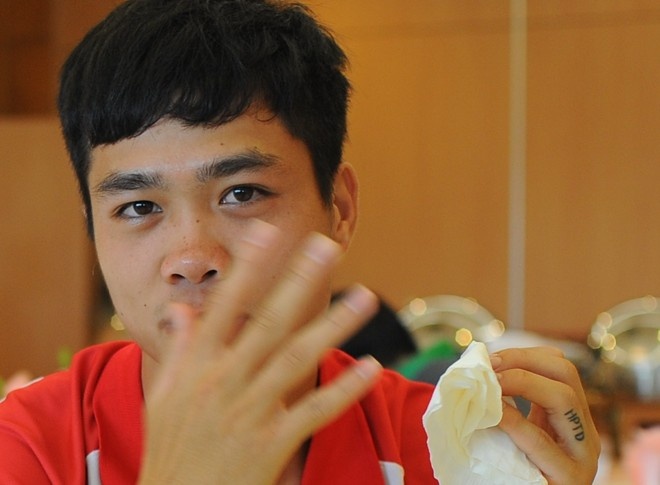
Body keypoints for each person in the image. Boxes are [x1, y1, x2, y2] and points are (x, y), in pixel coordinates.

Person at [0, 1, 599, 483]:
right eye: (138, 207)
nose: (192, 258)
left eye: (241, 193)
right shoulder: (28, 447)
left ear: (340, 209)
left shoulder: (443, 448)